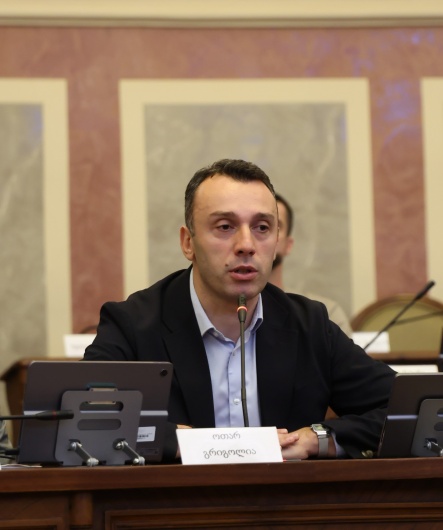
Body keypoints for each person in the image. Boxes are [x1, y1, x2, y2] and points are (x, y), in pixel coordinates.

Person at [84, 158, 396, 461]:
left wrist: (317, 439)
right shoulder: (133, 324)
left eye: (262, 227)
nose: (246, 244)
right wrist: (189, 443)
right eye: (225, 226)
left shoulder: (309, 325)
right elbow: (88, 418)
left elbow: (404, 410)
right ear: (188, 242)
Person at [270, 193, 353, 337]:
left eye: (265, 227)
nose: (257, 238)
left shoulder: (326, 315)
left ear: (288, 245)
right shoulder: (228, 312)